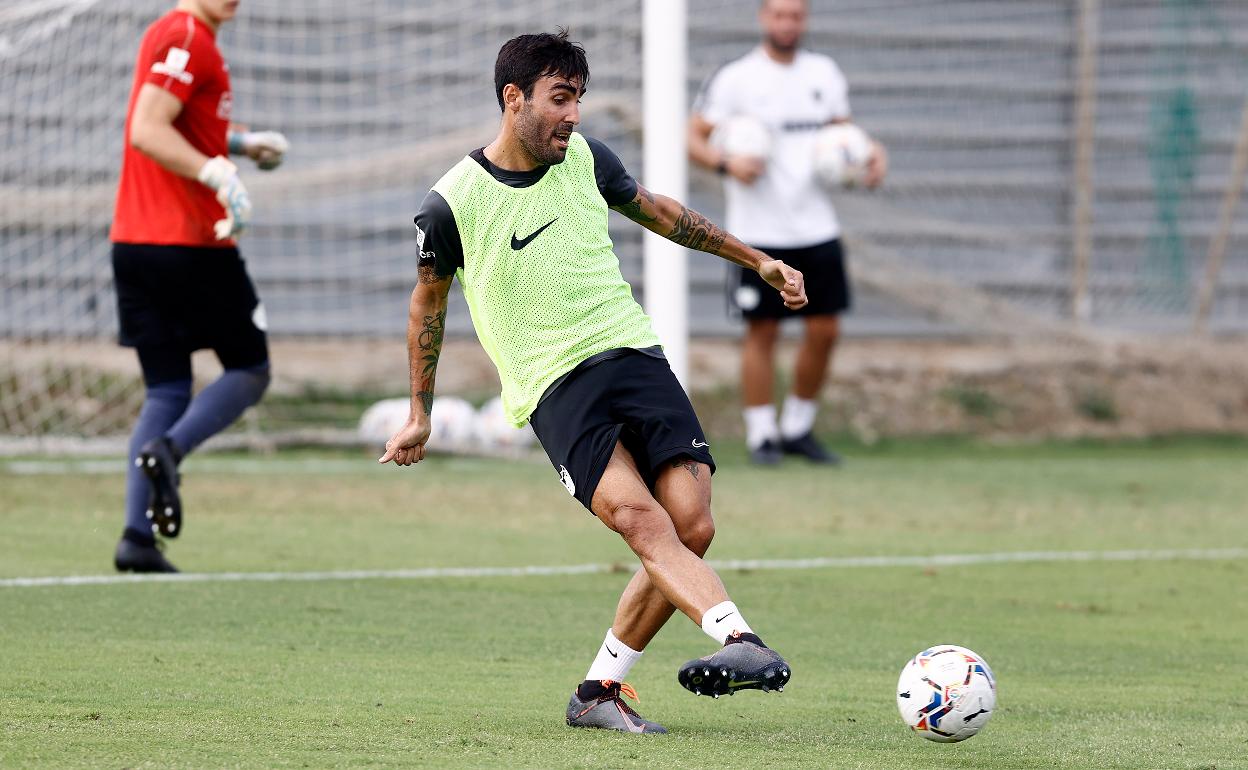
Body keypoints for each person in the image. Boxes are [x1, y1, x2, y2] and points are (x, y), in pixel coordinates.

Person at [381, 30, 805, 734]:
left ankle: (598, 690)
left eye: (578, 98)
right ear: (513, 99)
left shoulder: (587, 159)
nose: (573, 114)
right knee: (643, 522)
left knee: (692, 526)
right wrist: (419, 411)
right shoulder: (449, 204)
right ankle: (740, 640)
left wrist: (754, 259)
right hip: (556, 388)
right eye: (559, 98)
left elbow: (662, 211)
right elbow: (428, 303)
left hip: (634, 354)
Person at [109, 0, 289, 573]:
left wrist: (238, 144)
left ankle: (137, 539)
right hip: (188, 244)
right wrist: (216, 173)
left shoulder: (178, 33)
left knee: (166, 389)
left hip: (133, 245)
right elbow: (147, 127)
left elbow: (183, 122)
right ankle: (170, 451)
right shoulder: (188, 34)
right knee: (250, 369)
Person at [688, 0, 888, 466]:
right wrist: (725, 162)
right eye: (779, 14)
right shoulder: (736, 78)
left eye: (795, 15)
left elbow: (845, 139)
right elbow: (692, 136)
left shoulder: (824, 73)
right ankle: (762, 436)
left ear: (805, 19)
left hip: (816, 226)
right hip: (758, 233)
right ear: (764, 18)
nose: (787, 23)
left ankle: (798, 428)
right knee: (763, 332)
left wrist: (871, 155)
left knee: (825, 329)